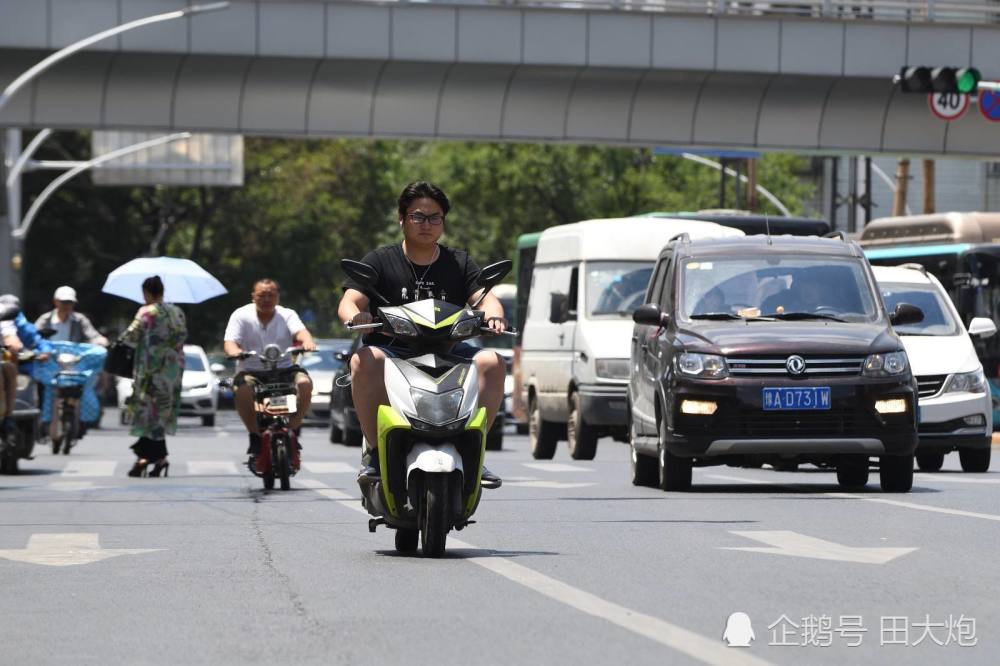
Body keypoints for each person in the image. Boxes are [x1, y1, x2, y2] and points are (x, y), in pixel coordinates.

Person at [337, 181, 507, 487]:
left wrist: (494, 315)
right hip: (393, 351)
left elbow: (485, 297)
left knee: (493, 362)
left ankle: (474, 451)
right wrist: (356, 316)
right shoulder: (381, 260)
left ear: (443, 221)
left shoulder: (459, 262)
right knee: (364, 360)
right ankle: (375, 453)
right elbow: (349, 301)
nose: (426, 224)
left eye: (434, 217)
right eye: (418, 216)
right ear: (401, 219)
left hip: (448, 350)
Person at [223, 278, 316, 463]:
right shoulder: (241, 315)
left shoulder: (287, 314)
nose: (266, 299)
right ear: (253, 297)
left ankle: (293, 428)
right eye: (261, 295)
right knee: (241, 389)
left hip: (285, 368)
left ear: (278, 297)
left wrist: (307, 342)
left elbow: (301, 333)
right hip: (251, 371)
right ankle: (254, 435)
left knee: (305, 384)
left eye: (271, 295)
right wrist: (234, 352)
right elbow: (230, 342)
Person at [120, 276, 187, 477]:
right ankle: (156, 459)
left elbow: (130, 337)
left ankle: (147, 458)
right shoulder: (177, 312)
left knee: (148, 415)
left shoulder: (146, 312)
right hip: (172, 372)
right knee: (159, 415)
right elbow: (182, 336)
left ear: (146, 292)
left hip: (150, 371)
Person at [1, 299, 53, 435]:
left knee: (9, 368)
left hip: (24, 365)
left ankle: (8, 417)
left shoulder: (15, 322)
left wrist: (14, 347)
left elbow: (13, 341)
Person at [35, 286, 109, 345]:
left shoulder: (80, 319)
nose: (67, 305)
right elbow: (33, 335)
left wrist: (100, 340)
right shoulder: (45, 319)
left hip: (74, 357)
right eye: (64, 302)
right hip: (48, 355)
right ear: (55, 301)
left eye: (70, 302)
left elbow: (93, 336)